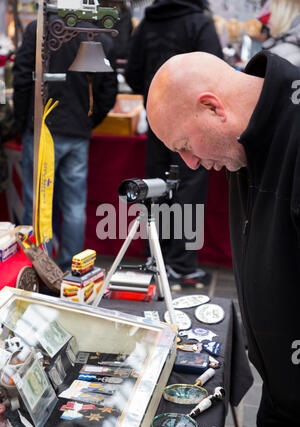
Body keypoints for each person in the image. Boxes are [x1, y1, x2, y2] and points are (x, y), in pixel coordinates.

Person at [146, 50, 300, 427]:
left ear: (213, 107)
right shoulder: (247, 139)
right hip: (283, 397)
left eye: (185, 144)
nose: (191, 164)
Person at [125, 0, 223, 290]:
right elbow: (216, 72)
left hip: (158, 119)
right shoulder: (199, 23)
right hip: (194, 123)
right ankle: (181, 265)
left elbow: (132, 74)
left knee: (156, 186)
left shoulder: (147, 23)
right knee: (189, 187)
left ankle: (156, 256)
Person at [12, 18, 118, 271]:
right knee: (74, 205)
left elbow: (22, 76)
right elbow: (108, 91)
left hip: (42, 128)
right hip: (75, 131)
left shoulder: (40, 28)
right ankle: (74, 268)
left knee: (36, 203)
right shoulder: (99, 36)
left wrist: (22, 122)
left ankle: (36, 267)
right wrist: (88, 121)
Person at [262, 0, 300, 65]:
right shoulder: (286, 49)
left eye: (272, 14)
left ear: (282, 17)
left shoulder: (282, 54)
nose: (269, 21)